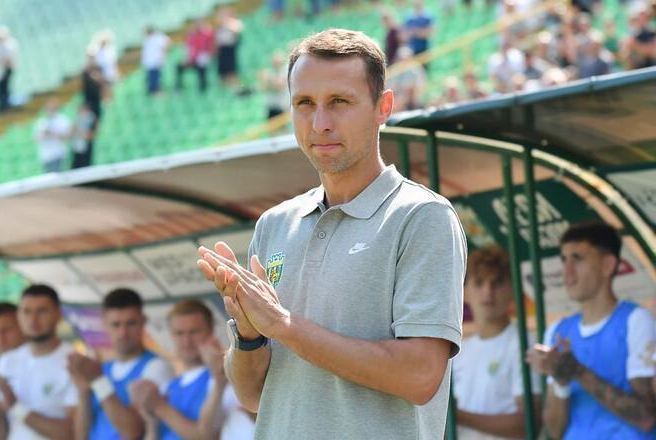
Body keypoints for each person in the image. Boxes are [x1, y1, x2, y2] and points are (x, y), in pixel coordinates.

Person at [197, 28, 466, 440]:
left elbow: (420, 376)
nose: (320, 123)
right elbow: (252, 396)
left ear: (383, 107)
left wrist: (284, 325)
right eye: (304, 103)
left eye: (340, 102)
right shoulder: (274, 224)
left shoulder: (422, 217)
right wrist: (250, 336)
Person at [527, 222, 655, 439]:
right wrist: (561, 382)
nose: (566, 271)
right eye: (564, 260)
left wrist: (578, 371)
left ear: (608, 265)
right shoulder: (557, 331)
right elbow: (555, 431)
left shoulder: (636, 320)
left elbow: (646, 418)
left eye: (577, 259)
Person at [130, 299, 255, 440]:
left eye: (194, 332)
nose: (186, 341)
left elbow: (207, 435)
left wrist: (159, 407)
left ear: (211, 331)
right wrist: (151, 422)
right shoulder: (169, 387)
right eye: (179, 333)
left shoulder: (226, 378)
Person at [453, 246, 540, 440]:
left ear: (513, 289)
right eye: (479, 282)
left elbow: (529, 424)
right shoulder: (459, 351)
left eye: (498, 282)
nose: (488, 292)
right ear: (464, 291)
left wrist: (458, 416)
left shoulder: (526, 343)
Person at [67, 288, 173, 440]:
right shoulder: (102, 369)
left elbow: (132, 431)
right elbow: (80, 436)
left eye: (131, 324)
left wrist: (99, 381)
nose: (123, 333)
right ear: (105, 324)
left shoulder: (156, 367)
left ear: (143, 321)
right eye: (116, 325)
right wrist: (83, 391)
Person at [0, 284, 78, 439]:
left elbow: (73, 433)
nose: (33, 320)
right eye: (27, 312)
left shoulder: (74, 362)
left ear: (58, 314)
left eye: (42, 311)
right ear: (19, 315)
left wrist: (17, 408)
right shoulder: (7, 362)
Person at [176, 20, 214, 93]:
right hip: (192, 59)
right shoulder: (192, 35)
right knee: (179, 67)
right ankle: (179, 88)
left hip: (203, 59)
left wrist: (206, 57)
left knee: (202, 73)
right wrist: (187, 58)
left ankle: (203, 90)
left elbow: (210, 47)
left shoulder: (207, 34)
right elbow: (188, 47)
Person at [34, 100, 71, 173]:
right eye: (48, 108)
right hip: (46, 156)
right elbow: (36, 139)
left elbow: (67, 137)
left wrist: (51, 133)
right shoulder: (42, 121)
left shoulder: (62, 120)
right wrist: (43, 134)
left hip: (58, 154)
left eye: (52, 108)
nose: (50, 110)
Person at [141, 26, 171, 95]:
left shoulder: (158, 37)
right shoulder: (147, 39)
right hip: (149, 62)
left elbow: (167, 42)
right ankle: (152, 91)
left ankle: (157, 91)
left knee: (156, 77)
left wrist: (163, 53)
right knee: (150, 78)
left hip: (156, 61)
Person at [259, 51, 288, 120]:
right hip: (271, 106)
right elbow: (263, 86)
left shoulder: (285, 72)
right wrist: (273, 83)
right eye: (275, 61)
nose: (276, 64)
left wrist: (269, 81)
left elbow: (281, 86)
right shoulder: (270, 72)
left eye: (278, 62)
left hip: (281, 106)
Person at [0, 26, 17, 114]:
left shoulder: (10, 44)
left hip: (7, 69)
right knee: (2, 88)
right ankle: (3, 106)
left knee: (4, 88)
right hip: (1, 70)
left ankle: (6, 106)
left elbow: (8, 59)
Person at [70, 104, 96, 169]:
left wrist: (79, 130)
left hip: (86, 149)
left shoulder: (91, 120)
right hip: (77, 148)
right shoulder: (78, 120)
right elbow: (71, 133)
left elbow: (91, 135)